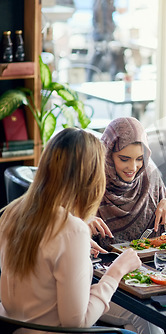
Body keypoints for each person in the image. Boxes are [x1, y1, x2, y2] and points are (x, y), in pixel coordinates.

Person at [0, 128, 141, 330]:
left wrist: (76, 248)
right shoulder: (72, 230)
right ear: (91, 177)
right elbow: (76, 323)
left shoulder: (12, 212)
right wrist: (117, 271)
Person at [93, 117, 166, 249]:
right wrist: (81, 224)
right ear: (107, 154)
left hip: (151, 264)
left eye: (140, 159)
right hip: (104, 266)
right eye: (124, 159)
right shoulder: (91, 180)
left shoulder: (149, 175)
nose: (133, 168)